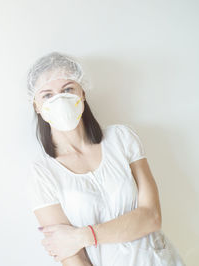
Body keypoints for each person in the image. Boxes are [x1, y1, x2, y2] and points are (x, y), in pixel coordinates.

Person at [26, 51, 186, 266]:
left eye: (67, 89)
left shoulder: (121, 139)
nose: (59, 100)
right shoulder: (43, 172)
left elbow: (152, 217)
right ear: (36, 105)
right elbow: (70, 254)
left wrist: (81, 236)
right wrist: (75, 242)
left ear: (82, 92)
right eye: (47, 95)